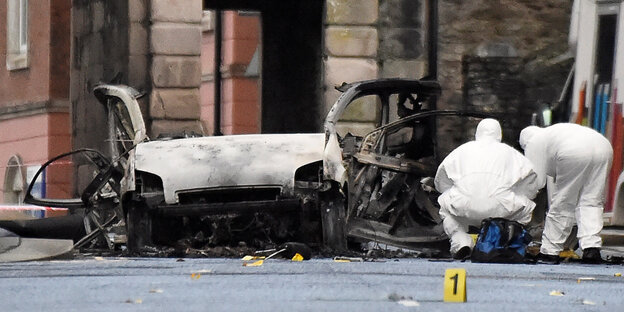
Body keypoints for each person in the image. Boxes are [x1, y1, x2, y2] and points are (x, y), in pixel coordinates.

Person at [435, 119, 540, 259]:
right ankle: (504, 241)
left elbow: (440, 180)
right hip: (501, 207)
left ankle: (460, 242)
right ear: (499, 134)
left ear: (478, 133)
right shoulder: (510, 152)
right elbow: (531, 180)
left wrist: (457, 191)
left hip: (464, 206)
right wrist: (519, 194)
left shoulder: (462, 150)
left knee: (445, 206)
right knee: (527, 208)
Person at [519, 124, 613, 264]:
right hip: (603, 146)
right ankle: (591, 248)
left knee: (563, 202)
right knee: (591, 200)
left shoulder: (533, 143)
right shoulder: (554, 134)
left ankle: (550, 251)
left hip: (574, 151)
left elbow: (537, 182)